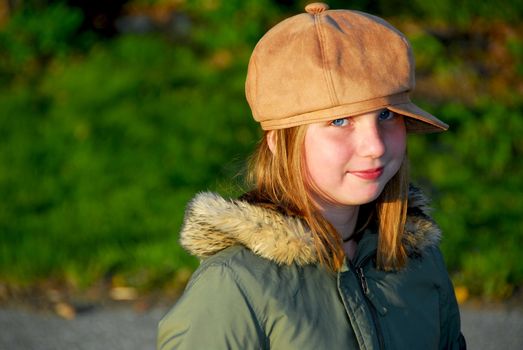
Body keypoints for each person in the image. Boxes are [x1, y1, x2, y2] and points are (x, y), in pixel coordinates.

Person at [157, 2, 466, 349]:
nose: (374, 146)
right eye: (339, 121)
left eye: (385, 115)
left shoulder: (417, 260)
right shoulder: (234, 285)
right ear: (279, 141)